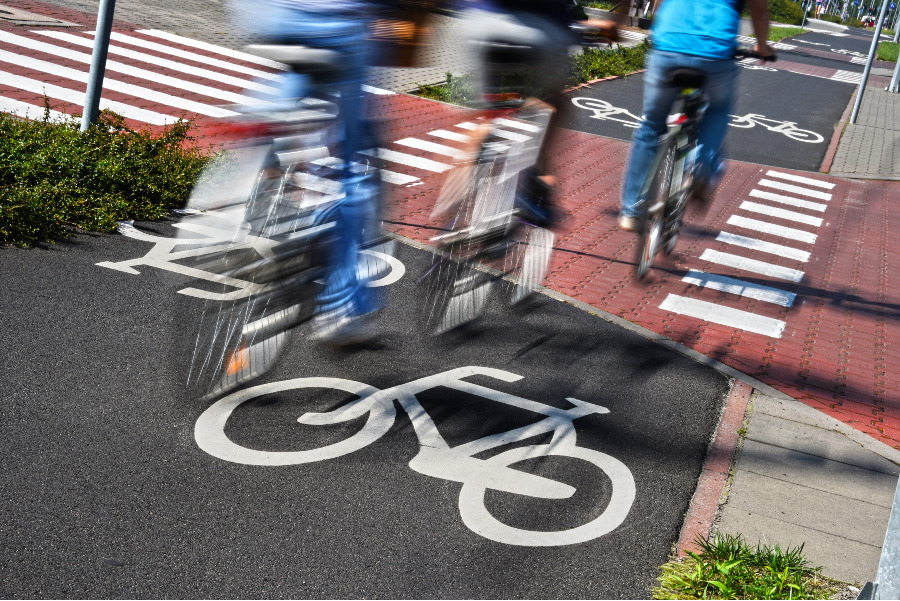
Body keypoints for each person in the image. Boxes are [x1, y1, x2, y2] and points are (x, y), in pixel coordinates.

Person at [235, 0, 385, 345]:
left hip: (269, 15)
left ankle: (261, 137)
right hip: (335, 26)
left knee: (299, 79)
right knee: (353, 173)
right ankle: (338, 308)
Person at [618, 0, 775, 232]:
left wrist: (660, 29)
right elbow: (759, 11)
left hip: (668, 45)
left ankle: (632, 210)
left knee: (652, 124)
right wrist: (762, 47)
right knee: (718, 107)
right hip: (715, 52)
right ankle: (701, 169)